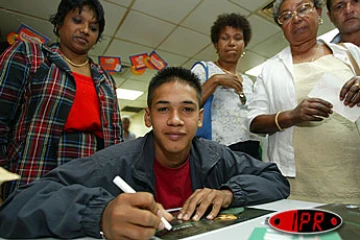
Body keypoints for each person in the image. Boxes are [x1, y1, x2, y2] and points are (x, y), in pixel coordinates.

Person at [0, 67, 290, 239]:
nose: (175, 120)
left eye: (187, 109)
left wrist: (230, 193)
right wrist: (100, 214)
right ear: (148, 117)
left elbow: (275, 178)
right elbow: (16, 206)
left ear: (199, 118)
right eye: (164, 109)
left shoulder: (216, 156)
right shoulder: (113, 163)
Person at [0, 0, 122, 200]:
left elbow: (115, 139)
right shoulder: (30, 55)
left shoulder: (105, 79)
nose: (85, 30)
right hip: (34, 172)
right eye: (77, 20)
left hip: (91, 178)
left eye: (93, 27)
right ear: (58, 24)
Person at [247, 0, 360, 203]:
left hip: (350, 175)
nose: (296, 18)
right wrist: (292, 115)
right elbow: (254, 122)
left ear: (318, 13)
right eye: (286, 16)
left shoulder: (350, 54)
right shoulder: (271, 69)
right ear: (281, 26)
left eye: (303, 8)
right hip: (296, 182)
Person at [191, 13, 262, 160]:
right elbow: (186, 105)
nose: (231, 43)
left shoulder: (249, 81)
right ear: (216, 45)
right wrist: (215, 81)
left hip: (251, 150)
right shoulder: (204, 70)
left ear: (244, 45)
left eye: (238, 38)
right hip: (218, 151)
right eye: (225, 38)